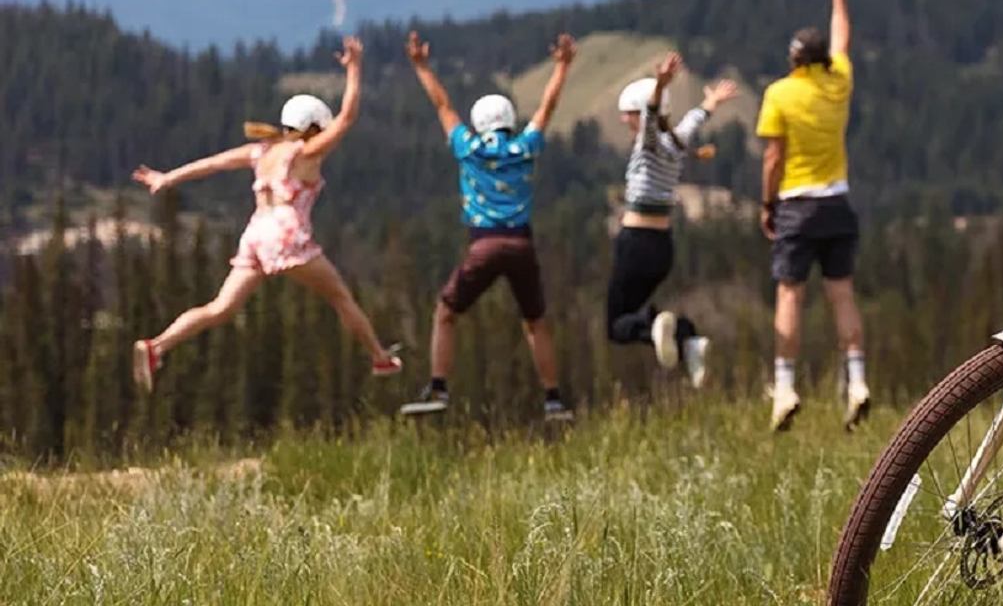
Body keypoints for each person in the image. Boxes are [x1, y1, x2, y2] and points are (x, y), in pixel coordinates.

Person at [128, 36, 401, 392]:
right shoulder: (306, 153)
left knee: (220, 308)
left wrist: (167, 178)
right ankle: (379, 357)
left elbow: (214, 163)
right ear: (314, 127)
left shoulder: (261, 152)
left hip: (255, 234)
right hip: (287, 234)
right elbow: (347, 117)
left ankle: (157, 346)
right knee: (340, 297)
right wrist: (355, 68)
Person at [398, 30, 577, 422]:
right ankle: (553, 399)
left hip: (483, 246)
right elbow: (547, 106)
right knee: (535, 322)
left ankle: (439, 388)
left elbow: (443, 105)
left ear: (479, 123)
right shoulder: (525, 147)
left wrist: (421, 66)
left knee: (446, 312)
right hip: (521, 246)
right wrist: (562, 66)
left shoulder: (469, 147)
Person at [758, 0, 868, 432]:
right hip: (837, 203)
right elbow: (842, 39)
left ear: (794, 60)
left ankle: (785, 388)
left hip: (796, 206)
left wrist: (767, 205)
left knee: (790, 295)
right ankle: (858, 381)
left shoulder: (780, 94)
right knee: (842, 295)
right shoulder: (838, 81)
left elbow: (773, 158)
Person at [605, 51, 739, 388]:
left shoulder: (647, 145)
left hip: (635, 243)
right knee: (633, 311)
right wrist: (711, 102)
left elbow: (651, 119)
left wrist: (661, 85)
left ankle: (656, 328)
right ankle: (688, 338)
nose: (622, 119)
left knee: (616, 326)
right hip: (662, 248)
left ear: (640, 114)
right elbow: (693, 120)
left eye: (627, 113)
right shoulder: (676, 144)